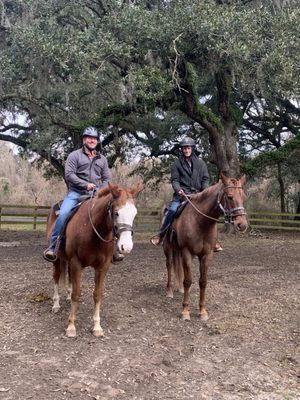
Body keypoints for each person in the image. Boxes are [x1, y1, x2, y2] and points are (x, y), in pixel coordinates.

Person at [43, 127, 111, 262]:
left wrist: (101, 190)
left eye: (94, 138)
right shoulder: (74, 155)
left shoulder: (102, 159)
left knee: (111, 213)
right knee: (63, 214)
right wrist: (85, 184)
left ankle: (113, 250)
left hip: (97, 195)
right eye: (89, 138)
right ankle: (54, 246)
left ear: (97, 141)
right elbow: (69, 175)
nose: (92, 140)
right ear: (84, 139)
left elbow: (107, 179)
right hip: (76, 193)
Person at [150, 136, 223, 251]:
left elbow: (205, 178)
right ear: (182, 150)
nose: (186, 150)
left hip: (198, 195)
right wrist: (178, 189)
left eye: (188, 148)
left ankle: (214, 241)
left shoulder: (201, 163)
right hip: (181, 196)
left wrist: (204, 191)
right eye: (184, 148)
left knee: (210, 213)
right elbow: (174, 180)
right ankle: (161, 235)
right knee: (172, 210)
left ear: (192, 149)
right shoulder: (177, 164)